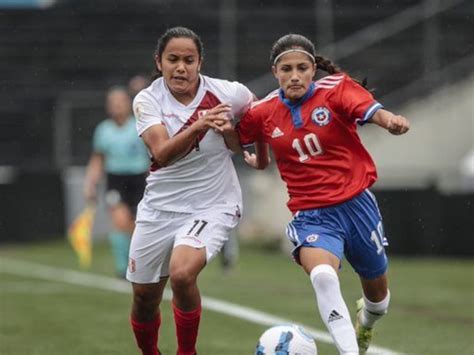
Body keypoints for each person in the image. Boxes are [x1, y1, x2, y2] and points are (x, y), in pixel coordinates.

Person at [234, 34, 410, 354]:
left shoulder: (336, 89)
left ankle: (366, 323)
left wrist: (391, 122)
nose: (295, 75)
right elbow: (246, 133)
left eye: (302, 67)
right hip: (312, 215)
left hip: (357, 206)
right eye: (286, 69)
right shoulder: (263, 110)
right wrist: (258, 159)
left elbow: (371, 110)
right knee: (324, 278)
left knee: (379, 300)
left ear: (314, 69)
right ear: (275, 71)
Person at [127, 26, 254, 355]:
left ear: (200, 62)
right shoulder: (147, 99)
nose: (180, 67)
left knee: (182, 274)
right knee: (144, 299)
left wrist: (246, 146)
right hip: (159, 208)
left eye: (188, 60)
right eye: (172, 59)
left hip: (213, 204)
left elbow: (262, 119)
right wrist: (200, 124)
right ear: (159, 62)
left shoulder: (230, 94)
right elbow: (162, 154)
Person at [83, 86, 149, 278]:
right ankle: (122, 268)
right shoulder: (103, 130)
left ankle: (139, 264)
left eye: (120, 102)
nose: (117, 106)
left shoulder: (139, 125)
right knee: (120, 222)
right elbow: (98, 159)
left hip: (139, 179)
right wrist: (90, 183)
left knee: (137, 225)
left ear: (129, 104)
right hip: (116, 180)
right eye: (113, 103)